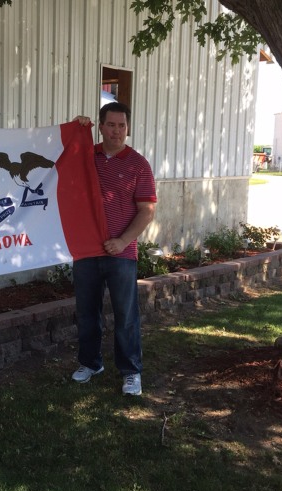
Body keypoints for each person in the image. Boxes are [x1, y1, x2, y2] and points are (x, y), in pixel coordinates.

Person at [71, 102, 157, 396]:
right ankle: (90, 363)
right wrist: (75, 130)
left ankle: (131, 372)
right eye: (111, 124)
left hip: (121, 254)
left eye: (122, 125)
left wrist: (122, 240)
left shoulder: (138, 165)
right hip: (86, 251)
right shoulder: (84, 156)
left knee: (126, 315)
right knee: (86, 312)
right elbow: (54, 161)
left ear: (128, 128)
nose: (116, 131)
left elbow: (146, 211)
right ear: (101, 125)